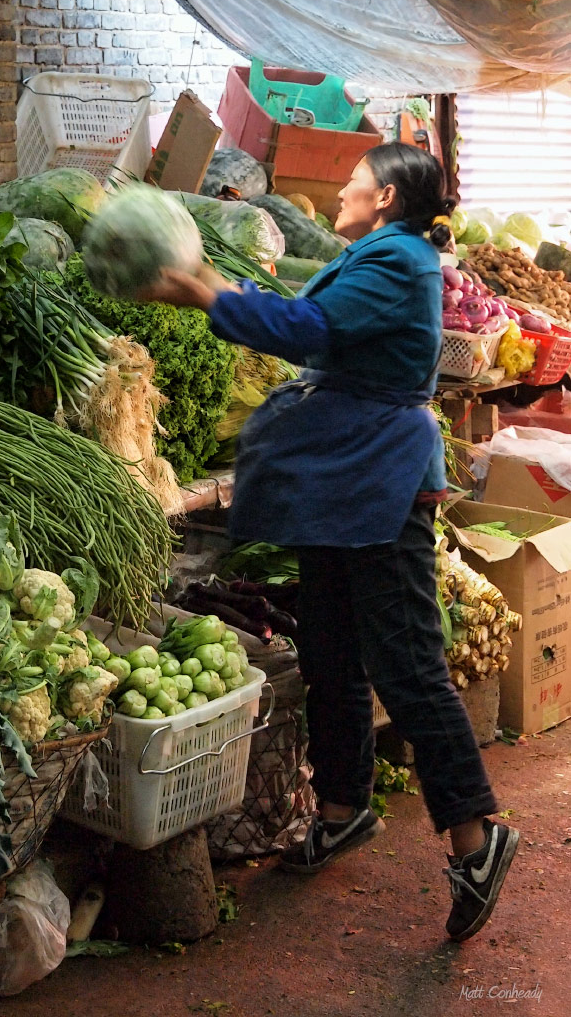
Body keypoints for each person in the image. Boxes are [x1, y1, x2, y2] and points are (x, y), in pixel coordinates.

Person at [140, 142, 518, 942]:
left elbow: (308, 329)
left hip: (376, 482)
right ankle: (343, 807)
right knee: (331, 652)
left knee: (408, 663)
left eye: (351, 183)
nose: (340, 193)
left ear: (383, 199)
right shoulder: (380, 253)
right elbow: (314, 329)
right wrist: (213, 292)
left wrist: (208, 288)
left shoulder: (396, 263)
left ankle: (476, 836)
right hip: (342, 481)